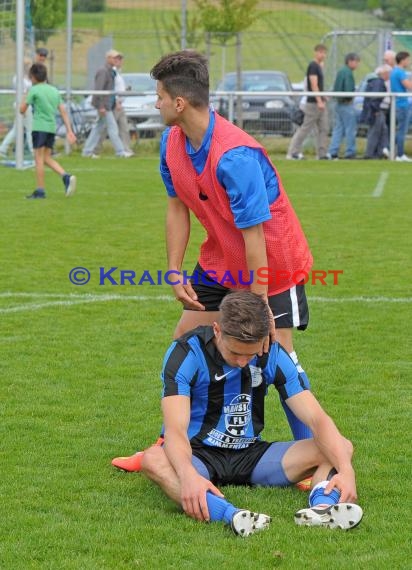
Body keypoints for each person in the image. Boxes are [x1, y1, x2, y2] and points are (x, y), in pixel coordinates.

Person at [112, 49, 314, 472]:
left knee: (276, 354)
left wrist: (258, 307)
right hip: (221, 258)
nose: (156, 103)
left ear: (179, 103)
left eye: (160, 96)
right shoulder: (172, 142)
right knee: (184, 342)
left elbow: (256, 236)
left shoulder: (235, 156)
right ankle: (171, 445)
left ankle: (313, 456)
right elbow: (177, 207)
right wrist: (174, 268)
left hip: (272, 263)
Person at [140, 291, 363, 537]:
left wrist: (346, 470)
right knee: (153, 459)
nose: (244, 362)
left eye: (250, 353)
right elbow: (175, 430)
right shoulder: (186, 353)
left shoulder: (273, 354)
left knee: (339, 446)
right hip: (198, 454)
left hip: (251, 456)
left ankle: (322, 507)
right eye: (235, 353)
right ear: (217, 330)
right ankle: (231, 515)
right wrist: (187, 475)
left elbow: (317, 419)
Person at [19, 63, 77, 199]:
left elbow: (22, 110)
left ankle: (40, 191)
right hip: (51, 128)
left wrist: (25, 95)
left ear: (32, 77)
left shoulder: (34, 90)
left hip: (39, 128)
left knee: (38, 159)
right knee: (46, 158)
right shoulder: (54, 90)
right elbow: (63, 111)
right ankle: (66, 177)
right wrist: (69, 130)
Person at [82, 49, 133, 158]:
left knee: (97, 128)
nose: (117, 60)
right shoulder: (103, 71)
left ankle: (87, 152)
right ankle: (120, 152)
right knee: (113, 128)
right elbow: (99, 90)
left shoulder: (111, 71)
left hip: (108, 105)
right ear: (108, 58)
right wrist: (101, 106)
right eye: (114, 58)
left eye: (118, 58)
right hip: (104, 106)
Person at [287, 44, 329, 160]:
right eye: (320, 52)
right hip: (313, 103)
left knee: (324, 128)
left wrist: (323, 97)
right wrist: (319, 100)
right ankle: (293, 152)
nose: (322, 55)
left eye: (324, 53)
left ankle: (322, 153)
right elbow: (314, 85)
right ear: (315, 52)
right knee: (305, 128)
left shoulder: (319, 66)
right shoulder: (313, 66)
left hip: (320, 102)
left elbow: (320, 86)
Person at [94, 53, 134, 156]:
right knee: (107, 128)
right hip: (113, 105)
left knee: (123, 128)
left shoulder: (117, 72)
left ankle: (126, 150)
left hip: (119, 104)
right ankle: (95, 149)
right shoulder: (110, 72)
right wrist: (116, 101)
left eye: (120, 59)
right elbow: (110, 89)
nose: (119, 61)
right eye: (116, 59)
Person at [327, 53, 360, 160]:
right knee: (350, 129)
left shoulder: (341, 71)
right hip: (346, 104)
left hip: (338, 104)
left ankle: (333, 151)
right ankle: (350, 151)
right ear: (350, 61)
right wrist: (350, 98)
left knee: (338, 129)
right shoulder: (347, 73)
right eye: (356, 61)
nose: (357, 64)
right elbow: (348, 89)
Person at [0, 58, 34, 159]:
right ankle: (33, 151)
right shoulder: (19, 79)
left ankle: (2, 149)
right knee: (29, 129)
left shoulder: (26, 78)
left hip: (24, 104)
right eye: (28, 66)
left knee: (16, 130)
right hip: (23, 104)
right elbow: (25, 93)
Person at [361, 65, 391, 159]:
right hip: (377, 111)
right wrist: (376, 110)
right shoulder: (378, 82)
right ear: (384, 73)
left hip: (377, 110)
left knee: (383, 131)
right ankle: (370, 154)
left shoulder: (375, 81)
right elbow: (375, 97)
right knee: (375, 131)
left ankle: (379, 152)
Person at [390, 51, 412, 162]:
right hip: (402, 104)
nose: (409, 62)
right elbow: (409, 86)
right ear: (403, 60)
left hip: (399, 104)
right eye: (408, 59)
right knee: (402, 130)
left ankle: (389, 148)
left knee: (400, 129)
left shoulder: (394, 71)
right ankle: (400, 154)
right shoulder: (400, 72)